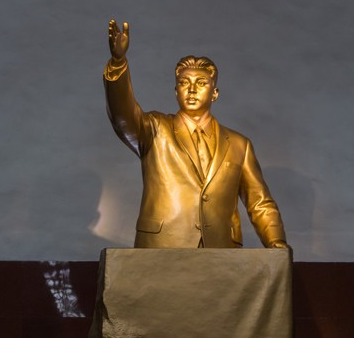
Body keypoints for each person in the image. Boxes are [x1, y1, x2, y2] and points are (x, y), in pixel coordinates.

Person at [104, 19, 288, 250]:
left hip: (221, 251)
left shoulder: (240, 145)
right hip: (162, 246)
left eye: (201, 83)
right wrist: (118, 63)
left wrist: (276, 244)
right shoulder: (154, 128)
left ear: (215, 93)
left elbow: (259, 202)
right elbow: (122, 114)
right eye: (184, 83)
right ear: (176, 90)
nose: (191, 89)